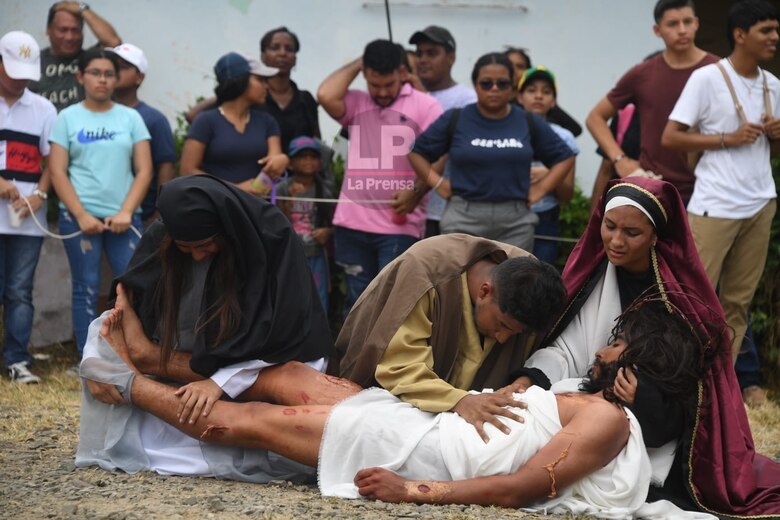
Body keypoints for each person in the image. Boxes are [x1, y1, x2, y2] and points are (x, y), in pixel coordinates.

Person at [86, 300, 720, 519]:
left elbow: (520, 488)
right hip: (435, 421)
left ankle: (123, 382)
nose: (604, 343)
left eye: (618, 340)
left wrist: (412, 491)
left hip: (429, 452)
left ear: (634, 363)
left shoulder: (609, 421)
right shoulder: (589, 391)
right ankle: (148, 354)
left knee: (245, 423)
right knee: (286, 376)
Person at [512, 177, 780, 516]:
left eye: (632, 233)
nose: (616, 241)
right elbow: (566, 350)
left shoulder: (679, 297)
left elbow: (692, 385)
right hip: (585, 402)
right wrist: (530, 378)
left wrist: (646, 395)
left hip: (659, 432)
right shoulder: (594, 278)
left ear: (655, 236)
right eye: (609, 227)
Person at [77, 174, 337, 482]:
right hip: (189, 371)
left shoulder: (272, 237)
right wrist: (98, 362)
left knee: (265, 424)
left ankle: (151, 360)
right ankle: (148, 365)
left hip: (268, 366)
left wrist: (220, 382)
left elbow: (283, 335)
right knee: (163, 431)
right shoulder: (162, 237)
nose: (197, 256)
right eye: (184, 248)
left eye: (205, 244)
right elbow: (117, 315)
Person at [333, 234, 566, 442]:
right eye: (502, 325)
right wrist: (459, 401)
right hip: (381, 401)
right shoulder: (424, 271)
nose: (504, 339)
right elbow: (398, 366)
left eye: (516, 334)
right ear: (485, 291)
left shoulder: (533, 283)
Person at [662, 0, 779, 370]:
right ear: (740, 34)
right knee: (692, 296)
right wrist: (726, 138)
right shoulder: (707, 78)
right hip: (714, 204)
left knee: (738, 302)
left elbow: (770, 152)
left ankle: (721, 383)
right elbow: (671, 137)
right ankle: (675, 376)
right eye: (766, 30)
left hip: (761, 202)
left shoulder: (773, 84)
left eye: (776, 29)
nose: (775, 37)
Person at [317, 39, 443, 314]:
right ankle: (356, 358)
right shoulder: (357, 102)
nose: (383, 92)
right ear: (365, 75)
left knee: (393, 306)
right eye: (375, 85)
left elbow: (443, 155)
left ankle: (386, 358)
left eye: (389, 84)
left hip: (399, 227)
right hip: (352, 224)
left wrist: (417, 190)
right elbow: (325, 95)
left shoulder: (426, 105)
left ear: (402, 72)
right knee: (356, 303)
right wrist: (362, 59)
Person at [408, 52, 574, 251]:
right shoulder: (456, 118)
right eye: (486, 83)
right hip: (463, 218)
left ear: (512, 86)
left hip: (515, 223)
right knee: (458, 282)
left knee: (512, 282)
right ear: (475, 85)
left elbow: (565, 157)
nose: (494, 89)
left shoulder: (527, 121)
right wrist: (438, 184)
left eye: (502, 84)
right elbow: (416, 153)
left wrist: (541, 189)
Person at [48, 47, 152, 360]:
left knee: (132, 289)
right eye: (95, 73)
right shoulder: (67, 117)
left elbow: (144, 170)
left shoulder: (131, 117)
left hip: (123, 219)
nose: (102, 80)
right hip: (79, 220)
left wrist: (127, 211)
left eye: (109, 74)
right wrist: (80, 214)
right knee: (86, 288)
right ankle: (88, 358)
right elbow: (56, 170)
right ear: (81, 77)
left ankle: (134, 356)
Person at [585, 0, 718, 205]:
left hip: (710, 189)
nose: (682, 30)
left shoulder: (720, 71)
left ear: (697, 24)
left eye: (687, 21)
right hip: (655, 190)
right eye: (672, 24)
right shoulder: (642, 73)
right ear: (657, 30)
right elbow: (595, 118)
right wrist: (620, 161)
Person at [0, 31, 57, 384]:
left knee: (20, 291)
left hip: (27, 219)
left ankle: (16, 360)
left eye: (26, 73)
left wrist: (42, 193)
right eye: (13, 71)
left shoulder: (44, 108)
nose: (20, 79)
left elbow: (55, 162)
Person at [187, 27, 320, 154]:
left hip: (300, 175)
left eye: (289, 49)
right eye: (275, 48)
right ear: (263, 56)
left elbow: (317, 141)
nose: (282, 53)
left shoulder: (305, 99)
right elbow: (193, 116)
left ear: (295, 58)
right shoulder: (251, 96)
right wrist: (231, 90)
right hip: (256, 174)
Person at [180, 52, 288, 193]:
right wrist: (235, 190)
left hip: (254, 209)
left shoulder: (267, 122)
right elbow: (187, 170)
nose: (266, 86)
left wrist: (281, 160)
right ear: (240, 81)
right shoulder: (205, 121)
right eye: (260, 80)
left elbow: (273, 164)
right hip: (213, 208)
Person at [407, 26, 476, 238]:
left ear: (451, 58)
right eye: (419, 53)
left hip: (443, 211)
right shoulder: (402, 94)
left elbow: (448, 150)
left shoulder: (467, 100)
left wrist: (417, 191)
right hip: (405, 213)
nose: (423, 59)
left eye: (432, 53)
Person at [517, 66, 579, 264]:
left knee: (539, 280)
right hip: (510, 216)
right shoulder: (504, 133)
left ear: (553, 101)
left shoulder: (564, 137)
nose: (538, 96)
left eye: (546, 92)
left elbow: (566, 194)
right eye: (531, 90)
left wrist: (552, 174)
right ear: (519, 97)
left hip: (546, 219)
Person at [111, 43, 176, 224]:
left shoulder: (154, 119)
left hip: (142, 215)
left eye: (123, 67)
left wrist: (159, 213)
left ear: (139, 77)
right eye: (112, 65)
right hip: (93, 214)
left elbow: (166, 167)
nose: (114, 72)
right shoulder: (91, 114)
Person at [276, 136, 334, 312]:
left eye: (313, 156)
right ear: (291, 163)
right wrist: (290, 199)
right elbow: (277, 221)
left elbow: (335, 221)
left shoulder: (324, 190)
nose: (308, 161)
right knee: (289, 298)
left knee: (319, 298)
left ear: (319, 162)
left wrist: (327, 232)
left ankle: (319, 337)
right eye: (302, 156)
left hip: (316, 254)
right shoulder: (282, 189)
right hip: (290, 255)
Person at [30, 1, 121, 112]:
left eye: (76, 30)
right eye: (63, 30)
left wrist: (82, 9)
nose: (70, 37)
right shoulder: (33, 61)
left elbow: (113, 42)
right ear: (49, 30)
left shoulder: (90, 60)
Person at [503, 46, 582, 137]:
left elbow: (574, 129)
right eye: (509, 65)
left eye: (520, 66)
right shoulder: (491, 101)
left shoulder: (537, 102)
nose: (514, 71)